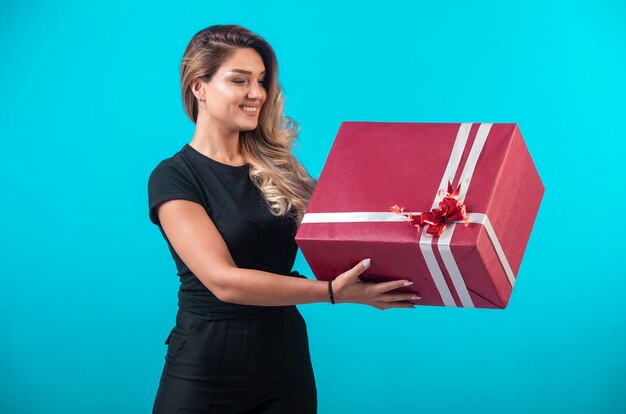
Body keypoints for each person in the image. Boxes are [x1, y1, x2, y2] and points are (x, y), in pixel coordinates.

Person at [147, 24, 420, 414]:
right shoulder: (174, 177)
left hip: (284, 359)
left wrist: (431, 209)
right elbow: (224, 281)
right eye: (239, 80)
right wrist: (331, 292)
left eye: (261, 80)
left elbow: (352, 221)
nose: (257, 93)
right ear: (199, 87)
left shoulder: (280, 167)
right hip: (207, 361)